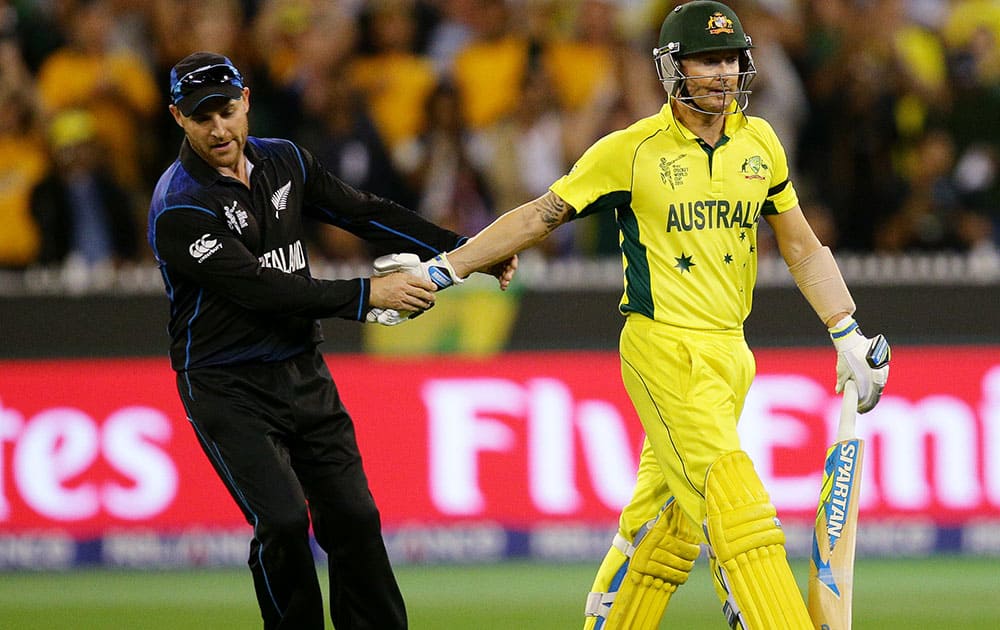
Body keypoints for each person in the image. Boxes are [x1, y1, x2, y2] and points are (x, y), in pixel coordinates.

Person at [396, 2, 892, 628]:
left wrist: (845, 330)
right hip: (663, 350)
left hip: (730, 355)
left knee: (670, 526)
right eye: (706, 59)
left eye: (731, 58)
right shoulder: (632, 151)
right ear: (672, 68)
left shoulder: (760, 143)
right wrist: (448, 267)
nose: (722, 72)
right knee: (735, 501)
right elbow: (539, 216)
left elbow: (798, 244)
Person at [146, 51, 510, 630]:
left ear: (246, 102)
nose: (218, 128)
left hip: (300, 369)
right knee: (285, 523)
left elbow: (363, 213)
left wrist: (467, 251)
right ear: (177, 118)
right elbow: (263, 291)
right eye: (201, 116)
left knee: (355, 519)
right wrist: (369, 296)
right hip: (225, 385)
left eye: (226, 110)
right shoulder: (180, 207)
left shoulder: (284, 160)